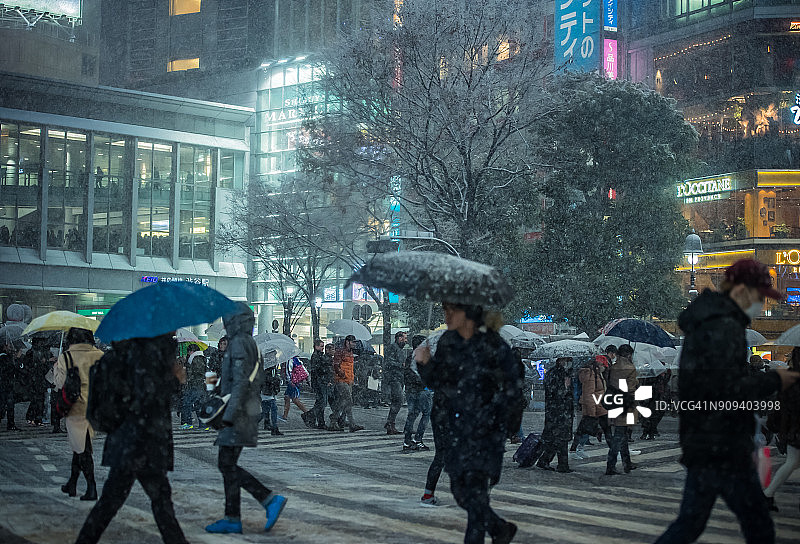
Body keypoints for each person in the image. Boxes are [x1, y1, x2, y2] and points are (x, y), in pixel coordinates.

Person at [655, 259, 800, 544]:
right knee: (756, 523)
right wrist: (774, 381)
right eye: (760, 296)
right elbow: (725, 388)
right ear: (743, 291)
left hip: (709, 439)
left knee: (692, 523)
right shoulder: (723, 326)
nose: (760, 304)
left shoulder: (710, 323)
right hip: (722, 442)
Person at [416, 303, 523, 544]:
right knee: (461, 493)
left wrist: (506, 425)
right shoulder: (448, 342)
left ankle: (495, 531)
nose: (446, 316)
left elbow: (513, 388)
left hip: (486, 431)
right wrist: (425, 363)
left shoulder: (494, 345)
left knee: (476, 495)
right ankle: (498, 528)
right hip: (456, 429)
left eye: (450, 311)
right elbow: (439, 382)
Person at [74, 334, 189, 544]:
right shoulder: (145, 359)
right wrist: (175, 379)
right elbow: (150, 398)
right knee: (160, 504)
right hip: (146, 443)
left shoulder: (113, 359)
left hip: (123, 442)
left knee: (112, 503)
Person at [206, 303, 287, 535]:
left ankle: (267, 500)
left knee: (226, 464)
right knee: (227, 464)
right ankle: (233, 516)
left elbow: (241, 381)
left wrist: (228, 415)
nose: (225, 324)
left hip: (240, 413)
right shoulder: (248, 343)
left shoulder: (240, 343)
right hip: (245, 410)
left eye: (227, 320)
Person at [56, 328, 103, 501]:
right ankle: (72, 483)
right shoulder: (99, 354)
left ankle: (92, 488)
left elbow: (59, 383)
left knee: (83, 449)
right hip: (95, 407)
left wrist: (57, 368)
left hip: (75, 407)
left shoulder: (66, 357)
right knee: (81, 445)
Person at [763, 346, 800, 512]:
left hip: (792, 427)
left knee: (792, 463)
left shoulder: (788, 376)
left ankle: (767, 494)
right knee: (792, 462)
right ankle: (767, 494)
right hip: (796, 427)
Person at [536, 357, 574, 473]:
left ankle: (544, 460)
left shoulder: (566, 373)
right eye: (566, 360)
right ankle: (562, 465)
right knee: (560, 439)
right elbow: (555, 394)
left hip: (564, 412)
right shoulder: (554, 374)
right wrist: (565, 387)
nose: (568, 363)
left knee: (555, 439)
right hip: (557, 412)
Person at [605, 344, 638, 476]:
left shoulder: (614, 367)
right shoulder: (630, 368)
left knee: (622, 434)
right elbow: (630, 388)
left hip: (615, 402)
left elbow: (612, 383)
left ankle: (627, 463)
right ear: (629, 355)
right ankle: (610, 465)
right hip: (626, 403)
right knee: (619, 435)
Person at [572, 355, 610, 459]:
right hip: (594, 407)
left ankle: (575, 449)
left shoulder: (597, 374)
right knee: (585, 430)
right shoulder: (591, 374)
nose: (605, 367)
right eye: (603, 365)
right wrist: (591, 412)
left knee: (585, 430)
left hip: (599, 406)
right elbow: (588, 394)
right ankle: (575, 450)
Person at [402, 334, 431, 451]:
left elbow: (407, 374)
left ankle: (407, 441)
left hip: (411, 390)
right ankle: (418, 439)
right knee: (426, 414)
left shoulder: (410, 357)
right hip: (421, 390)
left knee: (412, 415)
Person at [330, 335, 364, 432]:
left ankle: (337, 420)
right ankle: (347, 422)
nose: (354, 344)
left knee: (343, 402)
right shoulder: (340, 352)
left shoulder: (350, 353)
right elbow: (336, 365)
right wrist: (342, 374)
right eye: (353, 342)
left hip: (349, 380)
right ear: (347, 342)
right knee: (348, 401)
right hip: (341, 380)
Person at [383, 331, 407, 435]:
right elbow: (388, 362)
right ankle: (390, 423)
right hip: (394, 378)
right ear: (398, 338)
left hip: (398, 377)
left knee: (396, 401)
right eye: (403, 338)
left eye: (405, 339)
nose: (405, 341)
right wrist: (401, 365)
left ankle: (390, 423)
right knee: (399, 400)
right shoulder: (393, 348)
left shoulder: (400, 350)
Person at [309, 339, 334, 430]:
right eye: (321, 346)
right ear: (316, 346)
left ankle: (320, 421)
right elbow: (318, 370)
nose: (322, 348)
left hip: (320, 382)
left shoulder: (319, 356)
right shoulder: (316, 356)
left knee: (320, 402)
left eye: (323, 346)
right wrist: (323, 380)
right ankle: (310, 416)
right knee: (322, 402)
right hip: (320, 382)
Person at [180, 343, 206, 429]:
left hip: (196, 385)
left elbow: (197, 372)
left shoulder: (196, 358)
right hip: (198, 385)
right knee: (198, 405)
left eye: (188, 352)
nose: (188, 354)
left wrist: (187, 366)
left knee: (186, 403)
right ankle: (203, 425)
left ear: (192, 351)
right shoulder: (196, 358)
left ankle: (188, 423)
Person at [0, 333, 23, 431]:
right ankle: (10, 424)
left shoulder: (6, 356)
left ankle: (11, 423)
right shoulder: (3, 357)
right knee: (7, 404)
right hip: (5, 384)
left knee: (7, 404)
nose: (10, 346)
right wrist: (17, 359)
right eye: (8, 344)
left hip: (6, 384)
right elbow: (11, 369)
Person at [261, 351, 283, 435]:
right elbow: (265, 378)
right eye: (273, 355)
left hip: (270, 390)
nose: (274, 357)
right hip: (266, 391)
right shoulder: (265, 366)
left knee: (266, 411)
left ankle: (273, 427)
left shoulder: (273, 366)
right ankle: (274, 427)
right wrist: (275, 379)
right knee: (272, 409)